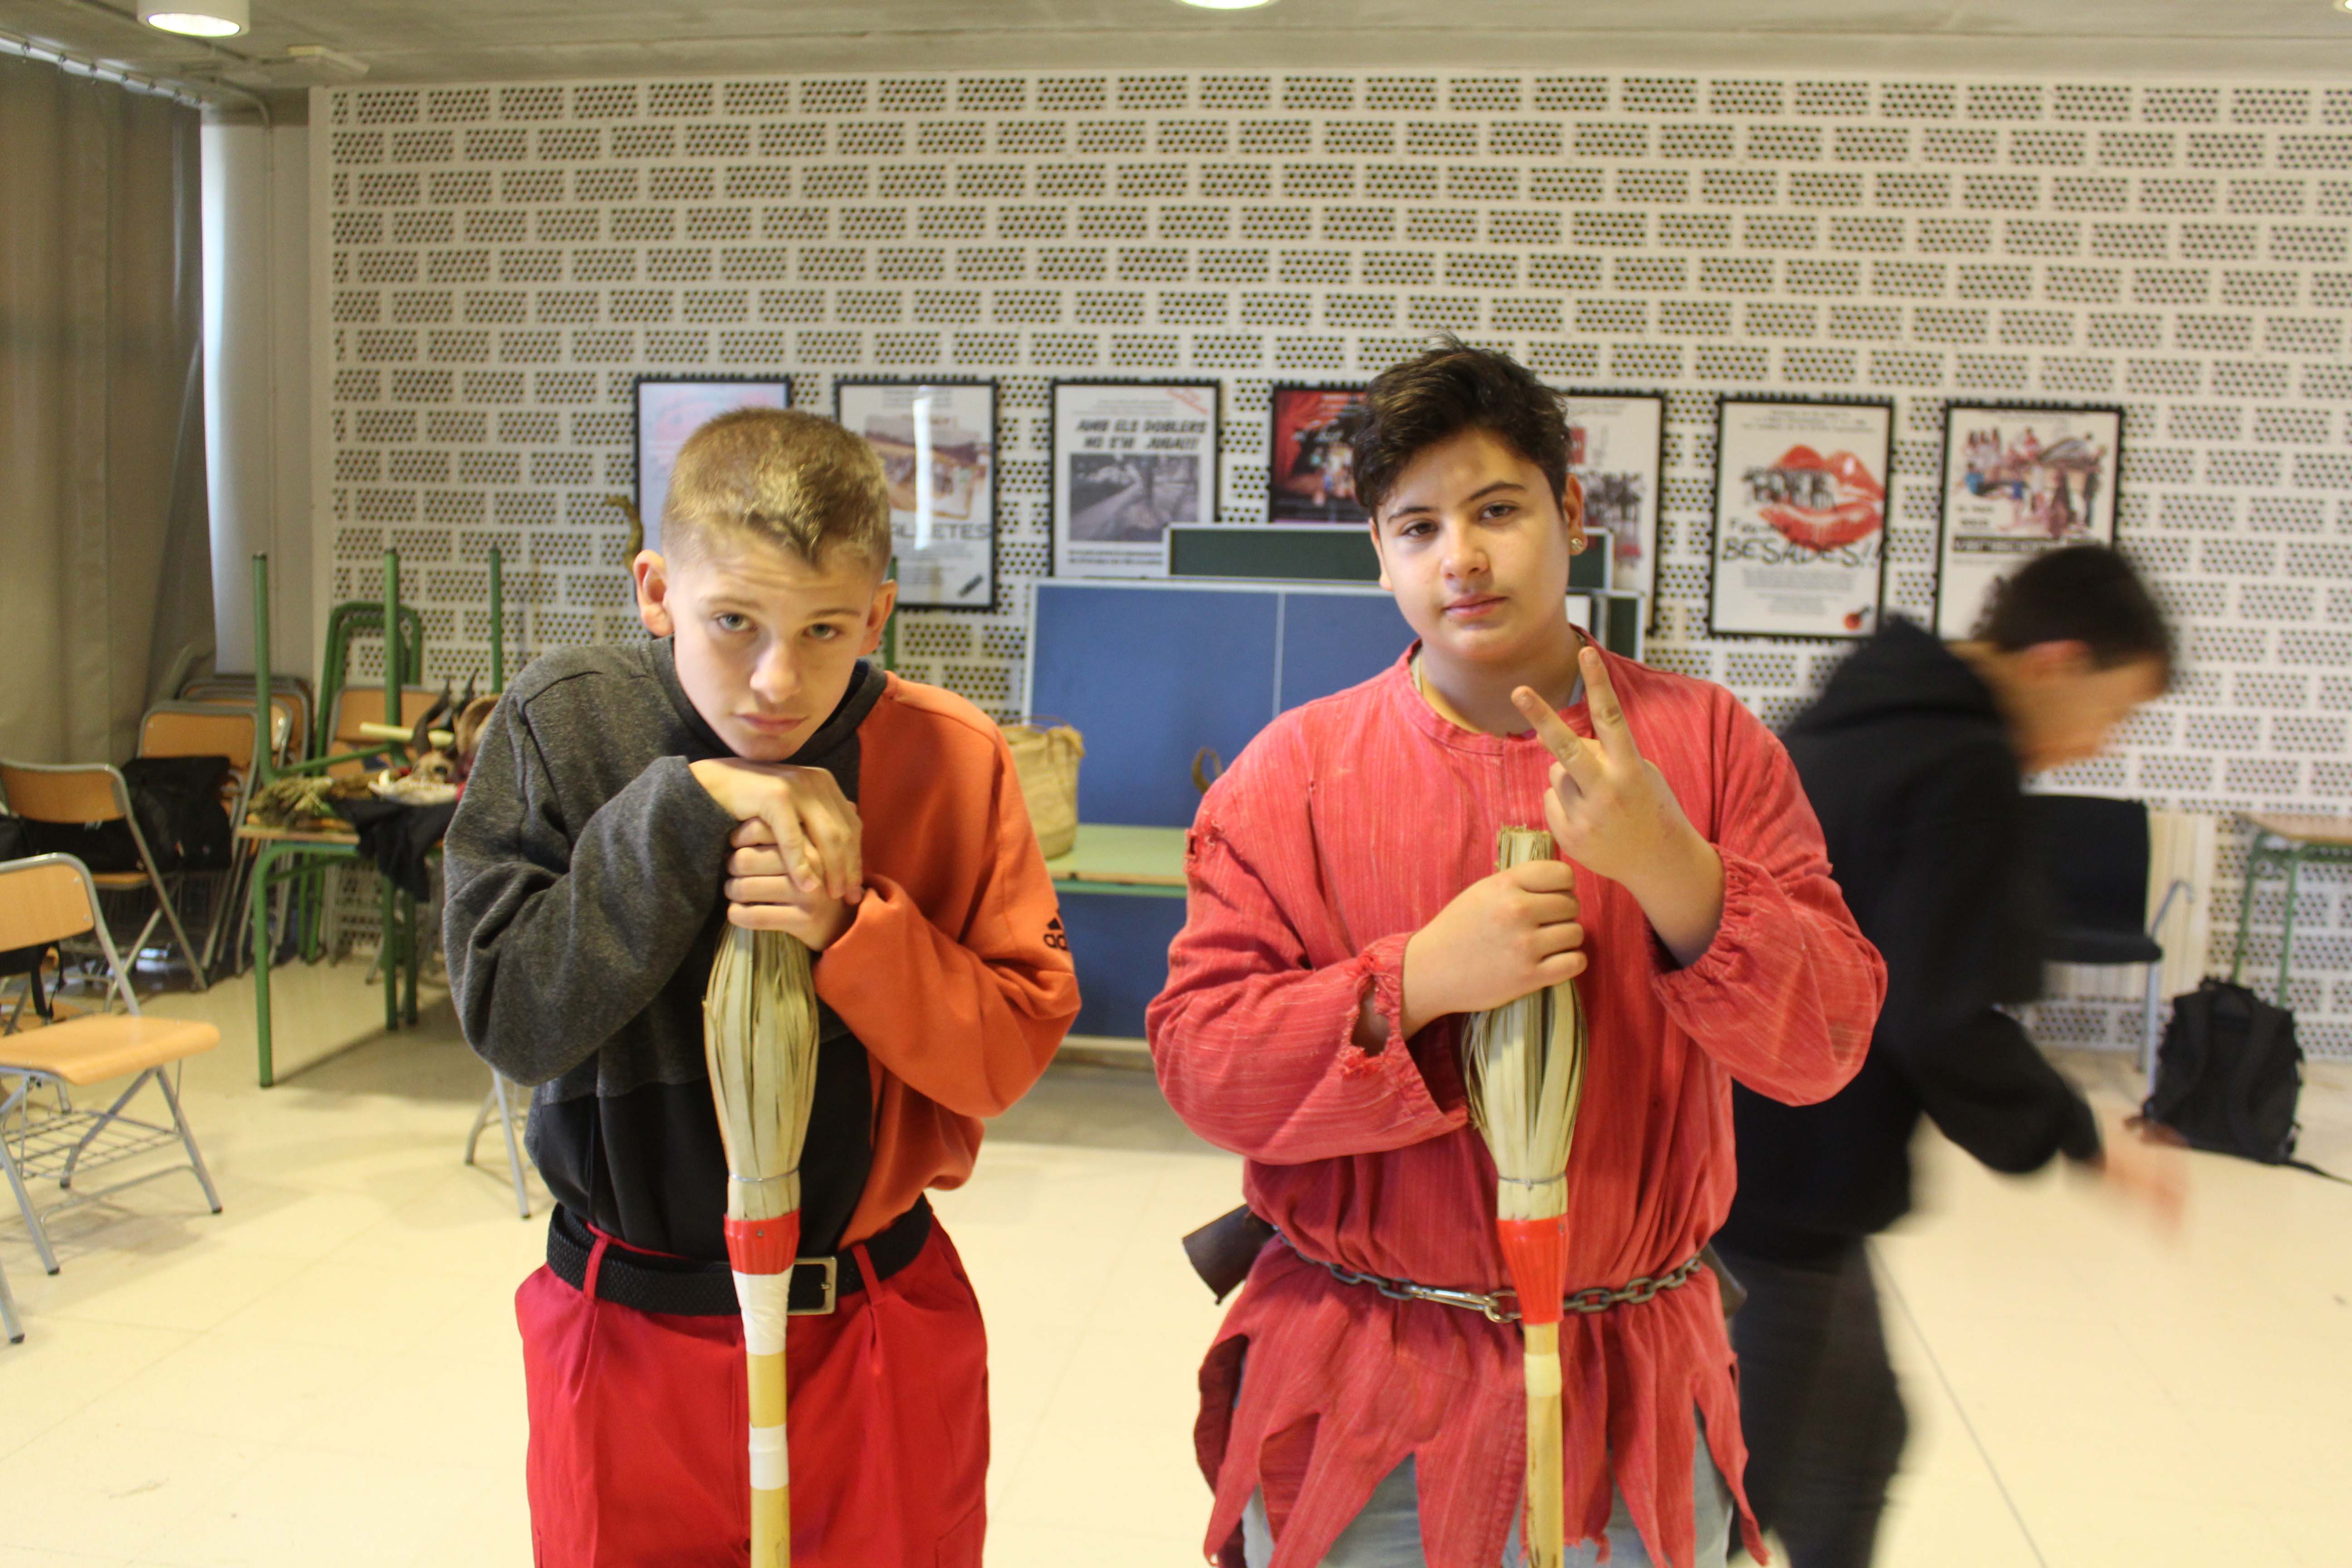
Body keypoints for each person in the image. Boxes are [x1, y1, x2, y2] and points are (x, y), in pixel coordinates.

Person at [1147, 342, 1887, 1568]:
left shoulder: (1709, 751)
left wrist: (1674, 869)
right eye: (1419, 527)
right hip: (1367, 1385)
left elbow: (1826, 1046)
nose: (1463, 558)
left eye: (1498, 510)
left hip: (1633, 1391)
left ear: (1573, 514)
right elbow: (1204, 1067)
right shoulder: (1293, 776)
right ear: (1379, 553)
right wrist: (1416, 983)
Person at [442, 408, 1079, 1567]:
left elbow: (1004, 1059)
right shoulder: (564, 724)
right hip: (628, 1331)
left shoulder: (950, 755)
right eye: (733, 622)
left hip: (869, 1327)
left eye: (824, 630)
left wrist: (853, 930)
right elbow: (513, 1019)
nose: (776, 682)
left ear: (877, 616)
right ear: (656, 591)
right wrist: (681, 810)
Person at [1715, 544, 2181, 1568]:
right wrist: (2080, 1139)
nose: (2101, 745)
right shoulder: (1959, 765)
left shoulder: (1869, 717)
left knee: (1857, 1445)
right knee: (1734, 1499)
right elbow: (1940, 1016)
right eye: (2114, 712)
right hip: (1786, 1182)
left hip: (1757, 1152)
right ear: (2057, 663)